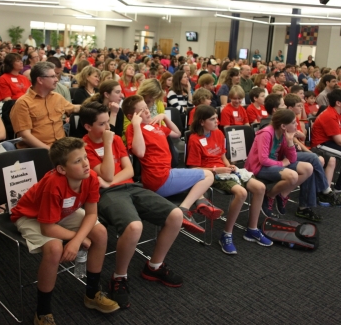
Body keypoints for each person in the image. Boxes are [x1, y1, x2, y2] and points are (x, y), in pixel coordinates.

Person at [79, 102, 183, 308]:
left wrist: (109, 180)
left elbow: (129, 171)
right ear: (88, 127)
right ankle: (119, 276)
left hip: (129, 186)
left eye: (108, 122)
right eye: (102, 124)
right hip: (105, 194)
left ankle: (154, 266)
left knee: (176, 215)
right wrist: (107, 145)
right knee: (134, 226)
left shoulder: (116, 139)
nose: (108, 128)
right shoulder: (84, 147)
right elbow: (107, 174)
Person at [10, 138, 120, 324]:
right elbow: (47, 228)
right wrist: (78, 238)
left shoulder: (91, 177)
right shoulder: (53, 185)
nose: (86, 164)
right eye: (77, 161)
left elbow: (91, 213)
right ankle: (42, 312)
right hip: (31, 216)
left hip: (62, 212)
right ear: (61, 169)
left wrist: (76, 241)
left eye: (85, 157)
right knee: (54, 249)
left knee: (100, 233)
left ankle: (92, 294)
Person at [122, 95, 218, 233]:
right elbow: (140, 152)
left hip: (167, 173)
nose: (147, 111)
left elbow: (177, 133)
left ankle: (200, 200)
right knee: (208, 175)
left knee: (201, 180)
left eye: (146, 108)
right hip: (158, 177)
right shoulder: (133, 129)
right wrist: (136, 124)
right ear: (132, 116)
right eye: (142, 110)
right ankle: (185, 209)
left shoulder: (154, 125)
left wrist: (165, 117)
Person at [187, 105, 271, 253]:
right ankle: (226, 234)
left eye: (216, 118)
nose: (217, 121)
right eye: (212, 119)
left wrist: (229, 165)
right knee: (241, 193)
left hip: (224, 170)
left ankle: (252, 229)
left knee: (260, 187)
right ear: (202, 122)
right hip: (211, 175)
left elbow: (222, 156)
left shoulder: (218, 133)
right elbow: (193, 169)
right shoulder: (194, 139)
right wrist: (216, 170)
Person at [245, 109, 314, 217]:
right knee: (292, 176)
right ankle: (270, 196)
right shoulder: (266, 133)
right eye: (293, 122)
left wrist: (290, 142)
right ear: (283, 126)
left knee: (308, 168)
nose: (297, 124)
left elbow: (292, 159)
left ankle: (281, 194)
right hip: (259, 167)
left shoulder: (285, 133)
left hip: (274, 164)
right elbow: (263, 160)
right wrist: (282, 164)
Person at [10, 62, 80, 149]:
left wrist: (93, 104)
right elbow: (25, 136)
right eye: (52, 76)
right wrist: (50, 150)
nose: (56, 79)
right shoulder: (23, 103)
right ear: (40, 80)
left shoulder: (57, 97)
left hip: (61, 148)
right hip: (36, 151)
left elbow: (75, 108)